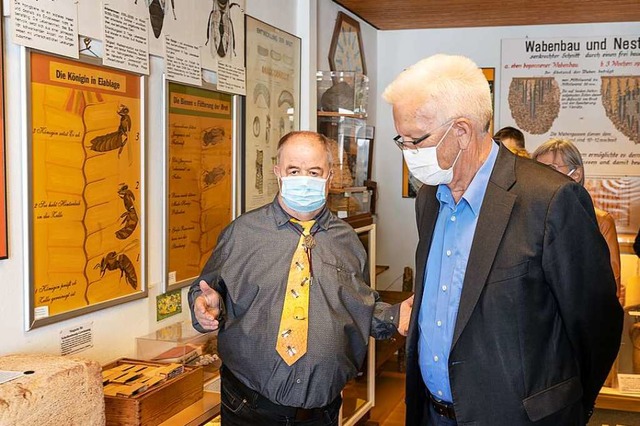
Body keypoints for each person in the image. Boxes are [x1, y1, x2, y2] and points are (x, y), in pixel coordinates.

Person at [382, 54, 622, 425]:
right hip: (430, 412)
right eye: (402, 139)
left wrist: (567, 408)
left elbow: (596, 324)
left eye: (414, 140)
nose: (407, 152)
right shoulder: (430, 197)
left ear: (461, 132)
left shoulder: (550, 200)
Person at [188, 130, 413, 426]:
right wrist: (203, 306)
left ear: (329, 177)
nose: (303, 179)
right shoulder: (241, 234)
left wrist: (396, 315)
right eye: (294, 170)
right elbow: (206, 291)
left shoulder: (347, 241)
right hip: (249, 407)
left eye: (314, 171)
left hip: (321, 413)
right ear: (278, 172)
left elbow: (358, 305)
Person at [531, 138, 624, 306]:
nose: (540, 178)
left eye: (550, 170)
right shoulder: (529, 218)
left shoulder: (600, 221)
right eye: (536, 171)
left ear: (575, 174)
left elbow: (611, 285)